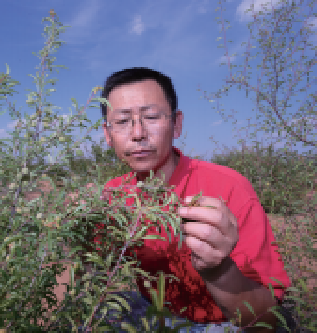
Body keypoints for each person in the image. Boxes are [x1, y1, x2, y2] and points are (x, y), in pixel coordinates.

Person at [74, 67, 292, 333]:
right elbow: (90, 269)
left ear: (177, 124)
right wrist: (74, 229)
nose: (138, 133)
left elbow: (267, 319)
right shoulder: (111, 195)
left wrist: (218, 269)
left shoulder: (230, 187)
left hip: (221, 324)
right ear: (108, 135)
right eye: (122, 122)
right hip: (150, 311)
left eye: (151, 116)